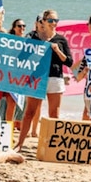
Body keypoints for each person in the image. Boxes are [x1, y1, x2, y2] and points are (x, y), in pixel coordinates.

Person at [15, 9, 73, 152]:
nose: (54, 23)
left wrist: (58, 50)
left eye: (56, 21)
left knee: (54, 115)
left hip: (55, 78)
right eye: (51, 20)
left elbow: (69, 62)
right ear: (43, 22)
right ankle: (19, 144)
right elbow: (21, 58)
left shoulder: (60, 39)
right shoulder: (34, 38)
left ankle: (53, 147)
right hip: (37, 78)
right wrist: (34, 49)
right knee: (29, 112)